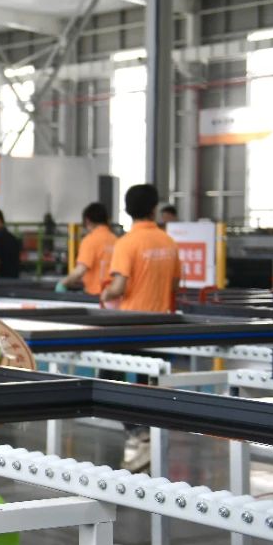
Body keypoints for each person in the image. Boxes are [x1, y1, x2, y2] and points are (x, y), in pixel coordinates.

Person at [103, 184, 180, 472]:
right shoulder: (168, 242)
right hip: (161, 325)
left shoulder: (127, 243)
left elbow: (119, 286)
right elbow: (175, 285)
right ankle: (145, 435)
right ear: (154, 208)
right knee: (148, 382)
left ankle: (138, 432)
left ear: (127, 210)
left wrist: (106, 294)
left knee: (107, 380)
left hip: (130, 325)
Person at [55, 202, 117, 295]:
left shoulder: (90, 240)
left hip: (96, 295)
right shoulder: (116, 240)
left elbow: (80, 270)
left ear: (87, 221)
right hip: (115, 295)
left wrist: (63, 283)